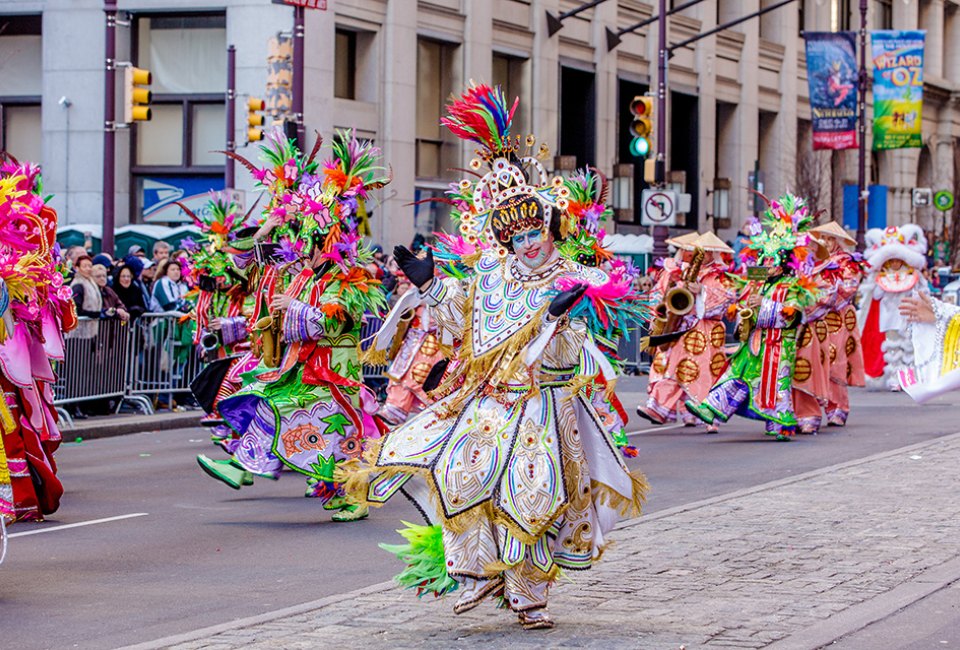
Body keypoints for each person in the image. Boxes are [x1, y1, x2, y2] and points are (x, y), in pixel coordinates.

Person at [344, 85, 647, 629]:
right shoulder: (492, 276)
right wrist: (433, 286)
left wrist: (557, 317)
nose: (529, 243)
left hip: (546, 407)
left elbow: (571, 352)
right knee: (459, 475)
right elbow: (465, 329)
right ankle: (478, 572)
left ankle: (528, 596)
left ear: (550, 230)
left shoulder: (574, 279)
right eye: (518, 236)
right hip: (489, 403)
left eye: (535, 231)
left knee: (531, 495)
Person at [196, 128, 389, 523]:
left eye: (312, 242)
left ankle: (352, 493)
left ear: (329, 243)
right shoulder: (305, 275)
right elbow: (262, 301)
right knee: (275, 408)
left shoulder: (345, 277)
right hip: (303, 365)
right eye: (303, 242)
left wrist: (297, 308)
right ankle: (249, 466)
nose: (304, 249)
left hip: (334, 371)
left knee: (338, 434)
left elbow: (341, 322)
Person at [686, 194, 819, 441]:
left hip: (779, 345)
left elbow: (794, 314)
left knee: (775, 383)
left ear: (780, 265)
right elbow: (742, 302)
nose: (766, 265)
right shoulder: (758, 282)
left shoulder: (792, 284)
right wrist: (744, 309)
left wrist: (766, 305)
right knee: (735, 373)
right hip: (754, 341)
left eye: (771, 261)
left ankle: (780, 423)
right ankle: (711, 407)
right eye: (764, 260)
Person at [637, 232, 738, 434]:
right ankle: (660, 408)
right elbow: (659, 293)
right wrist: (660, 313)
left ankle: (707, 413)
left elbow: (728, 299)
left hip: (708, 331)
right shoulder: (678, 270)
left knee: (706, 373)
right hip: (680, 326)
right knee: (671, 367)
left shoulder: (720, 275)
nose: (700, 254)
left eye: (707, 251)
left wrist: (702, 291)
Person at [858, 225, 929, 391]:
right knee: (892, 348)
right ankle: (894, 378)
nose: (896, 263)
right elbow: (875, 296)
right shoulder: (881, 277)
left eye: (898, 260)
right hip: (889, 317)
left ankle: (910, 377)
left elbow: (921, 294)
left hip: (908, 316)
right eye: (892, 260)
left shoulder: (913, 276)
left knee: (909, 348)